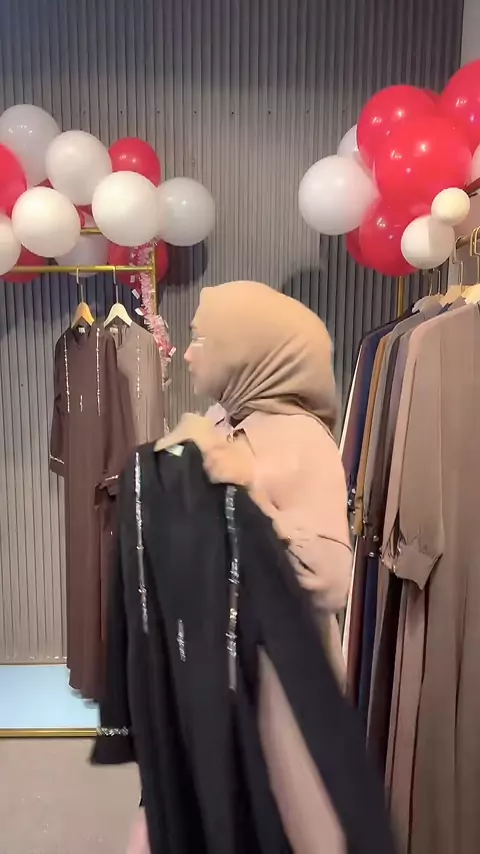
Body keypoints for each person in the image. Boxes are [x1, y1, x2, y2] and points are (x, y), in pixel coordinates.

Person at [126, 280, 354, 854]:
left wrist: (247, 491)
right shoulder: (217, 421)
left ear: (245, 350)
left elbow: (332, 579)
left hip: (274, 691)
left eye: (202, 338)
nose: (188, 352)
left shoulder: (302, 440)